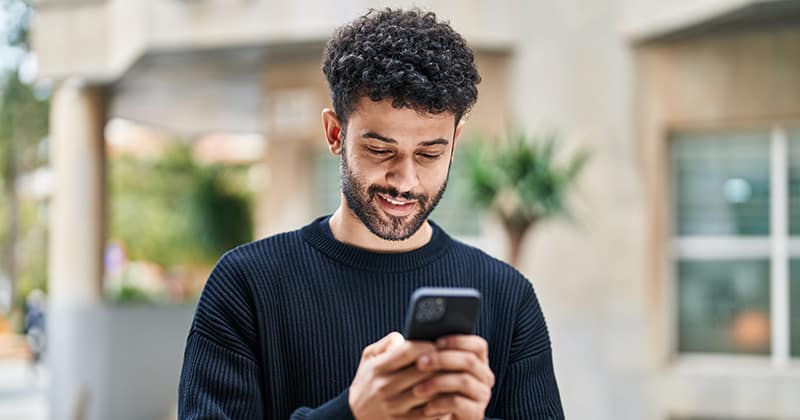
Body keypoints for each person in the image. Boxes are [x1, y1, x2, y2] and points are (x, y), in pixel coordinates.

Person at [178, 8, 563, 420]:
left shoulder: (508, 297)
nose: (405, 180)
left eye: (430, 153)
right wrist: (352, 413)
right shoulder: (245, 287)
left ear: (456, 141)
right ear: (334, 134)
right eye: (380, 150)